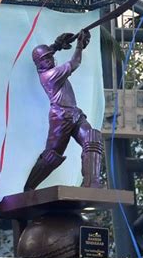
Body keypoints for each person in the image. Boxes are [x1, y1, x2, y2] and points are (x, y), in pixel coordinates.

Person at [24, 29, 104, 191]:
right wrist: (79, 46)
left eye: (50, 57)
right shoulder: (49, 75)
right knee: (52, 155)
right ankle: (29, 188)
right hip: (61, 117)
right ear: (39, 64)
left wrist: (56, 45)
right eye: (44, 59)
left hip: (74, 113)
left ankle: (91, 183)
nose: (49, 60)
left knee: (92, 138)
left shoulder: (46, 67)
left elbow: (46, 54)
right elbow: (74, 64)